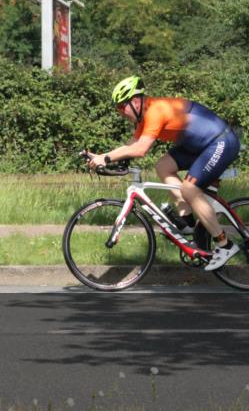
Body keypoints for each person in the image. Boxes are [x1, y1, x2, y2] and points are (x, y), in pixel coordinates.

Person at [86, 76, 241, 271]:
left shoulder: (156, 111)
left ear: (134, 101)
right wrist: (101, 156)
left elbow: (140, 150)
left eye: (121, 107)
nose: (120, 113)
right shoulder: (145, 117)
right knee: (163, 166)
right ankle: (187, 221)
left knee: (190, 188)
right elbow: (131, 145)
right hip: (198, 145)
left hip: (220, 142)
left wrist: (106, 158)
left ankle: (225, 244)